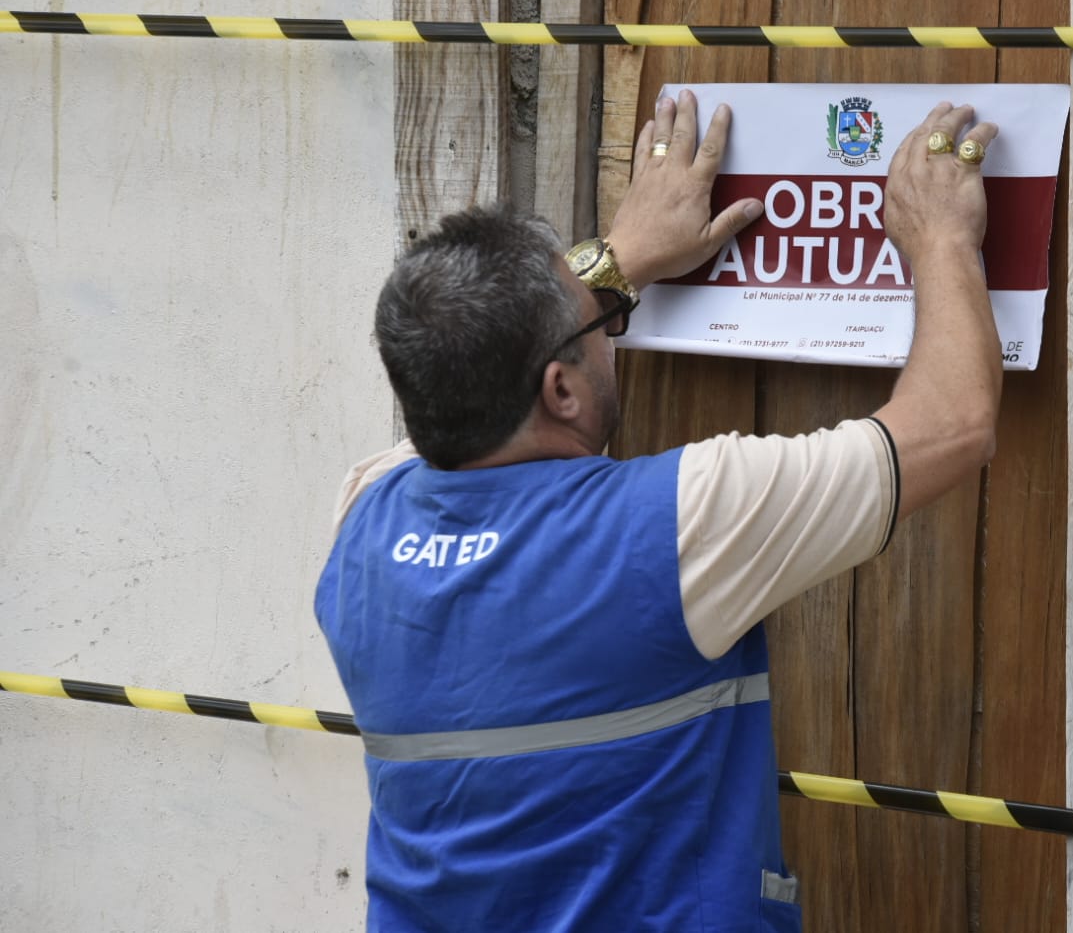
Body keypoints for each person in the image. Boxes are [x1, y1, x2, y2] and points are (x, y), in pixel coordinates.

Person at [315, 90, 1002, 932]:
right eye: (598, 323)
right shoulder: (673, 527)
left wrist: (618, 260)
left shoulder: (362, 517)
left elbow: (461, 371)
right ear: (559, 389)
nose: (610, 325)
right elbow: (953, 424)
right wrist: (939, 238)